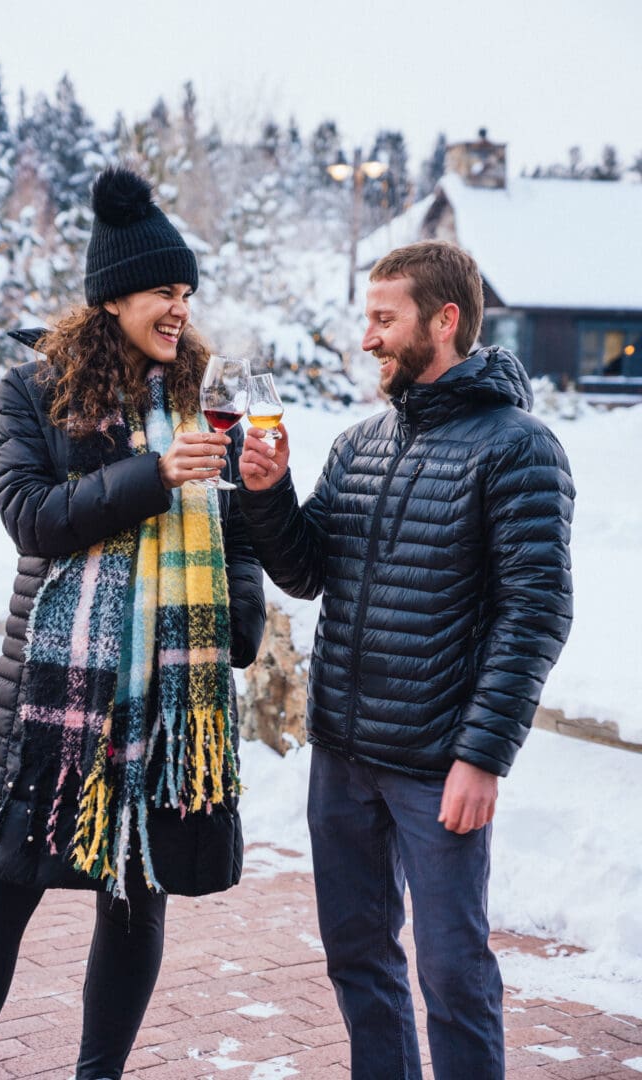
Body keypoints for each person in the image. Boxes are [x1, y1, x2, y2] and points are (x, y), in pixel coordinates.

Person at [0, 166, 266, 1080]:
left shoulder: (197, 398)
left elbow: (230, 535)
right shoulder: (33, 390)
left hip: (160, 699)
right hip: (52, 705)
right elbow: (31, 516)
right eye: (164, 291)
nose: (179, 309)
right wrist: (154, 476)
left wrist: (241, 607)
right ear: (114, 298)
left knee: (136, 896)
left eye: (187, 293)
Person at [238, 240, 574, 1080]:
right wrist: (270, 492)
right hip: (344, 756)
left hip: (437, 765)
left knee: (454, 975)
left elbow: (536, 613)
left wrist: (482, 756)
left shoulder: (519, 448)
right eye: (367, 319)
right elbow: (310, 571)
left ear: (445, 320)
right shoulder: (360, 444)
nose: (367, 339)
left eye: (384, 319)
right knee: (358, 959)